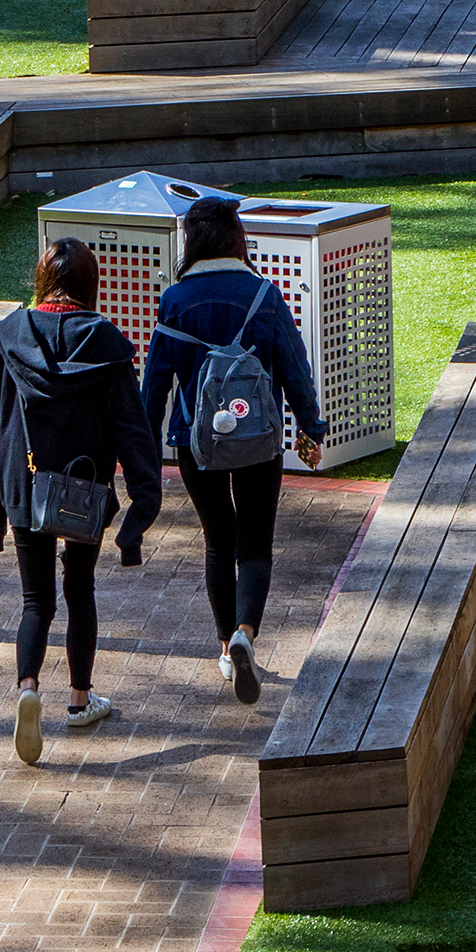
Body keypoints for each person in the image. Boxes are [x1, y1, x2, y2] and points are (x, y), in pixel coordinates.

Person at [0, 239, 164, 763]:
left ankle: (29, 688)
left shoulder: (10, 337)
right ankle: (80, 701)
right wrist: (135, 523)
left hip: (25, 484)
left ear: (41, 279)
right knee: (79, 589)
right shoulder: (108, 344)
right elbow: (135, 433)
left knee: (36, 600)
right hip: (85, 489)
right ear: (90, 285)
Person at [142, 197, 326, 708]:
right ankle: (247, 631)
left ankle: (226, 647)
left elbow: (155, 381)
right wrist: (312, 428)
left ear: (192, 241)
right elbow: (295, 367)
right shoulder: (263, 295)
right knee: (256, 545)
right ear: (236, 238)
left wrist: (141, 451)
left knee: (219, 543)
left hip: (194, 443)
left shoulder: (175, 300)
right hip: (259, 441)